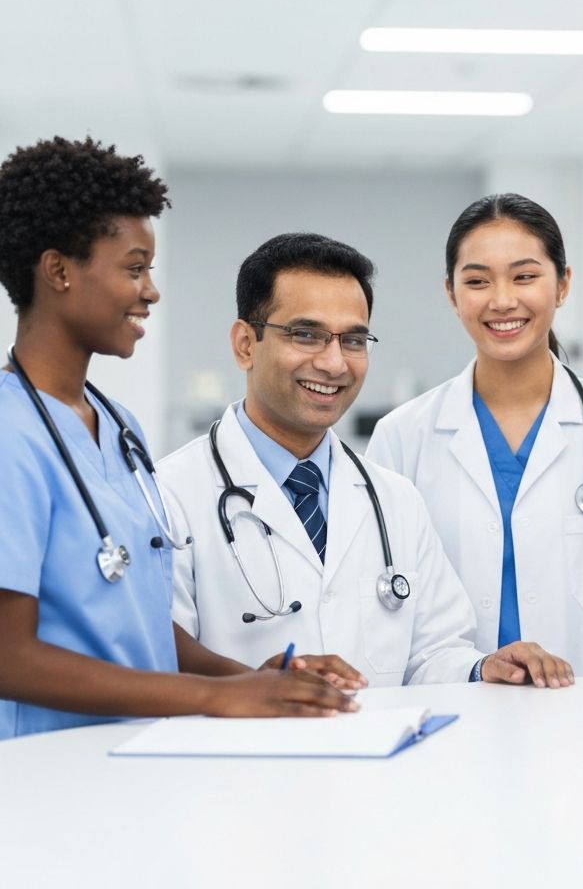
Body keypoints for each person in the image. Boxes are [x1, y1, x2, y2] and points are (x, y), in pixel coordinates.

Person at [0, 137, 353, 740]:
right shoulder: (11, 434)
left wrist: (248, 681)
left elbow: (135, 621)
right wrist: (213, 699)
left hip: (135, 757)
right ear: (57, 270)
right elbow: (10, 657)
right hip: (47, 775)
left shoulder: (120, 428)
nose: (151, 291)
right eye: (134, 269)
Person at [159, 232, 573, 690]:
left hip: (382, 757)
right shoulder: (171, 496)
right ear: (244, 344)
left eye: (354, 340)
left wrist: (482, 668)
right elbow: (157, 661)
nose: (335, 364)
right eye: (307, 335)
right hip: (237, 759)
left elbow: (435, 652)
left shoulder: (394, 499)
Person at [366, 193, 583, 676]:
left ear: (562, 285)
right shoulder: (402, 437)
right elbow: (388, 609)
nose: (502, 300)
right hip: (451, 713)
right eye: (477, 281)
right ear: (451, 293)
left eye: (525, 276)